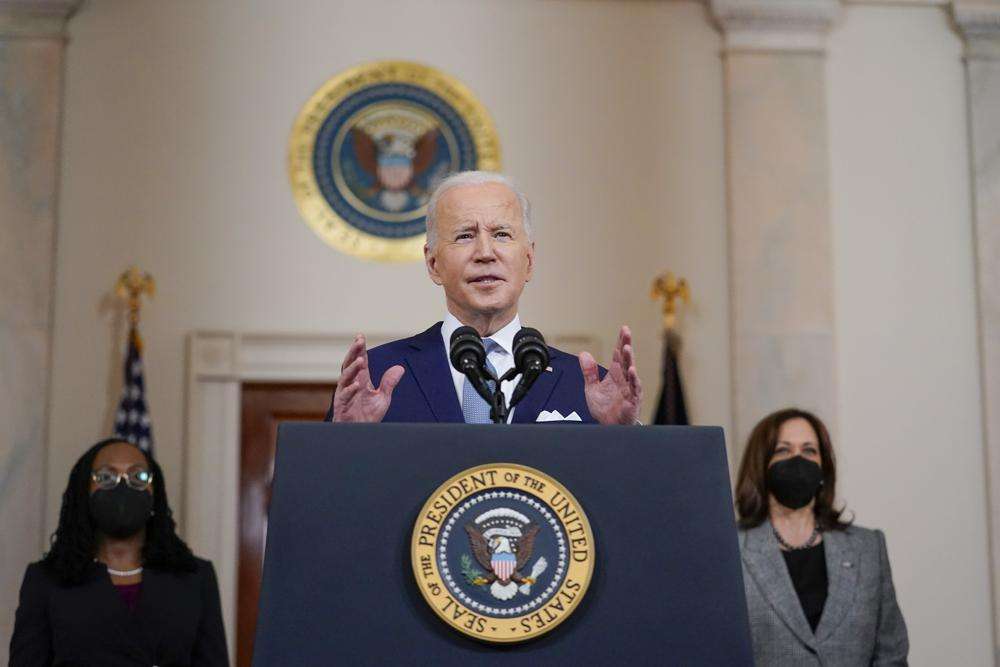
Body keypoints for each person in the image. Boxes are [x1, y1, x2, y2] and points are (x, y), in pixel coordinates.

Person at [327, 170, 643, 425]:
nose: (485, 253)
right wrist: (345, 441)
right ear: (433, 263)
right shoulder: (379, 376)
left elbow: (633, 498)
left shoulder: (590, 387)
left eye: (501, 234)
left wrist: (624, 436)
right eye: (465, 235)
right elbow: (323, 496)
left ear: (529, 260)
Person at [10, 438, 228, 666]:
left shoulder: (195, 578)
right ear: (84, 492)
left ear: (156, 493)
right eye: (106, 477)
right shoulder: (46, 580)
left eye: (138, 477)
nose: (123, 486)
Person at [735, 408, 908, 665]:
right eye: (783, 450)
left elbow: (891, 655)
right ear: (761, 465)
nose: (798, 460)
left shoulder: (868, 548)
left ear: (823, 467)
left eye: (809, 450)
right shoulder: (730, 549)